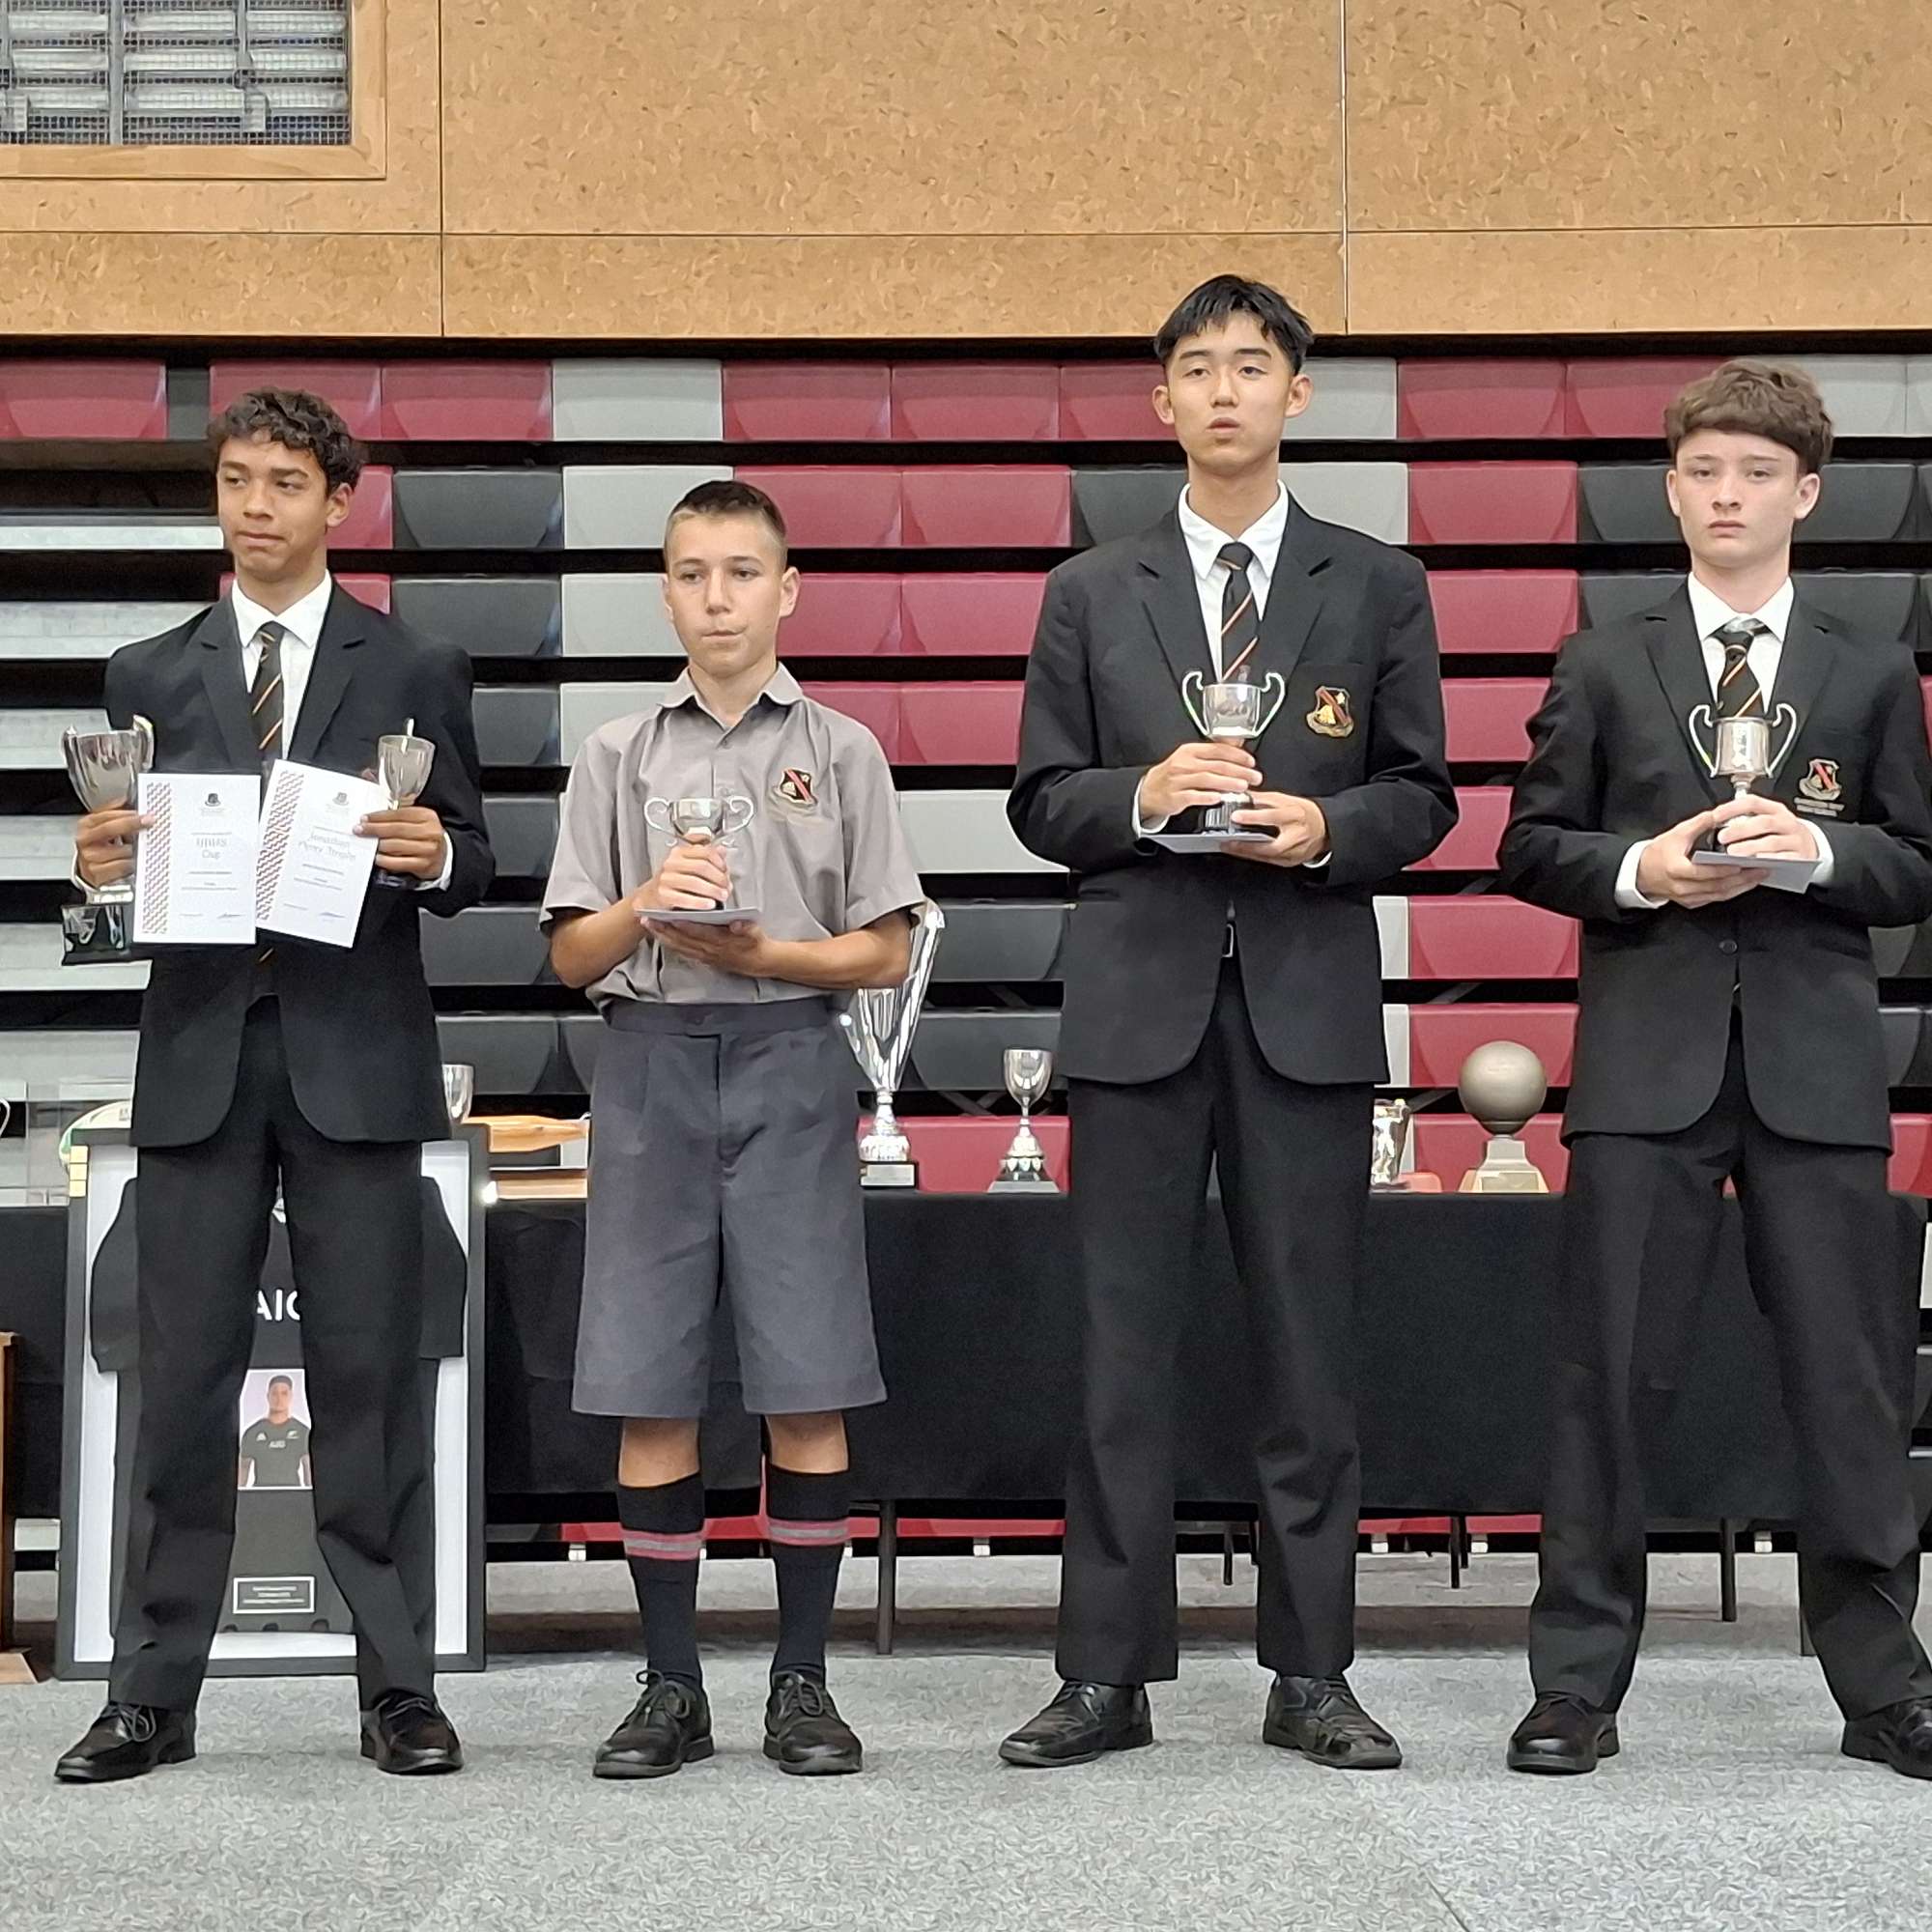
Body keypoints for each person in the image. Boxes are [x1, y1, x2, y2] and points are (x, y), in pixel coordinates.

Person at [1000, 275, 1456, 1769]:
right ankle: (1105, 1673)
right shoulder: (1090, 587)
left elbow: (1423, 796)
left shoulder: (1376, 583)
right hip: (1136, 1006)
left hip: (1305, 1006)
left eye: (1250, 367)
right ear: (1162, 402)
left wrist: (1321, 830)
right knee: (1119, 1355)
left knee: (1310, 1358)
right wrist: (1143, 795)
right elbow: (1040, 798)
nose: (1222, 391)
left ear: (1295, 394)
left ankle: (1312, 1672)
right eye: (1195, 369)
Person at [1499, 361, 1932, 1780]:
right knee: (1605, 1377)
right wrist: (1643, 868)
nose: (1725, 495)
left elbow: (1914, 861)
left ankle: (1884, 1686)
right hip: (1645, 1061)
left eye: (1754, 473)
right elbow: (1531, 845)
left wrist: (1816, 853)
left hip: (1817, 1064)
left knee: (1850, 1381)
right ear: (1671, 490)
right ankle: (1575, 1685)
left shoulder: (1869, 666)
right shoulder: (1600, 659)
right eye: (1702, 472)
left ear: (1805, 493)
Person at [54, 388, 493, 1784]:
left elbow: (475, 855)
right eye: (237, 478)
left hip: (358, 1056)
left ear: (338, 500)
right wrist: (96, 874)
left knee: (371, 1382)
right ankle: (151, 1693)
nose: (256, 505)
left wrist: (437, 854)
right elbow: (120, 873)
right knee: (182, 1383)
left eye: (286, 482)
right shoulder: (144, 670)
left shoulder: (415, 663)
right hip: (197, 1058)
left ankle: (400, 1688)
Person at [542, 478, 923, 1780]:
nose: (718, 598)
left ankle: (801, 1681)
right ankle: (670, 1684)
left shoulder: (844, 749)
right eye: (693, 573)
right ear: (666, 593)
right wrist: (648, 901)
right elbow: (571, 956)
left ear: (786, 590)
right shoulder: (616, 754)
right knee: (647, 1383)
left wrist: (772, 955)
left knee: (806, 1380)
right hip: (648, 1063)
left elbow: (885, 949)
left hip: (789, 1059)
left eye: (742, 572)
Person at [239, 1375, 311, 1490]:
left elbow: (309, 1475)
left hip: (293, 1495)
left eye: (284, 1393)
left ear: (291, 1396)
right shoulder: (252, 1433)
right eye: (274, 1393)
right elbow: (241, 1476)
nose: (279, 1398)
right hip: (261, 1495)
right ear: (268, 1396)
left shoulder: (303, 1432)